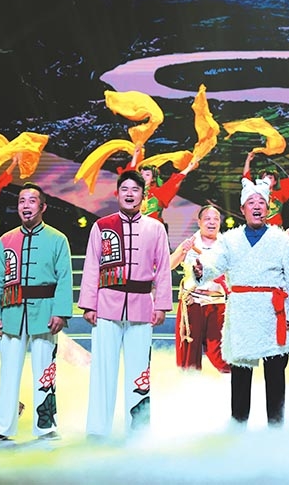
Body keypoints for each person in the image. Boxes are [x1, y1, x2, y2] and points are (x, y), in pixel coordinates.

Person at [192, 178, 289, 427]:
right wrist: (202, 269)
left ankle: (275, 430)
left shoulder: (281, 241)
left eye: (261, 202)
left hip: (273, 315)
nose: (256, 206)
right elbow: (214, 264)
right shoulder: (230, 240)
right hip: (242, 313)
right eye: (251, 202)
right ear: (242, 208)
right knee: (240, 377)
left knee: (275, 376)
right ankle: (238, 427)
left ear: (268, 208)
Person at [79, 170, 172, 439]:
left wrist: (161, 305)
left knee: (140, 371)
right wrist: (89, 304)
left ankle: (138, 430)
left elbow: (163, 269)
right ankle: (98, 430)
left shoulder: (155, 228)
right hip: (106, 306)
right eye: (125, 189)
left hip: (142, 307)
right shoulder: (102, 226)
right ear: (117, 194)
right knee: (102, 370)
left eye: (135, 190)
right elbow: (92, 266)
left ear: (144, 195)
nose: (130, 194)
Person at [0, 183, 73, 443]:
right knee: (8, 372)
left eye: (32, 201)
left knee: (45, 371)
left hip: (45, 312)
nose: (25, 205)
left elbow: (65, 278)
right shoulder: (6, 240)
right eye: (22, 201)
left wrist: (61, 312)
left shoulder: (58, 239)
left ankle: (45, 426)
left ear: (43, 206)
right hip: (11, 312)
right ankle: (2, 426)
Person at [170, 205, 230, 373]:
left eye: (215, 219)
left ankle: (232, 384)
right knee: (188, 352)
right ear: (199, 222)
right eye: (207, 219)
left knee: (220, 352)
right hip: (192, 302)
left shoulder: (227, 246)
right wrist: (182, 251)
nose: (212, 222)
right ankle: (189, 385)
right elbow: (168, 265)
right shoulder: (190, 243)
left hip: (217, 303)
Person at [129, 146, 197, 223]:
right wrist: (135, 156)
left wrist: (188, 168)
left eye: (147, 174)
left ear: (153, 179)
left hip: (154, 227)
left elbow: (173, 182)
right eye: (141, 174)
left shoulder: (157, 193)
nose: (143, 176)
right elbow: (128, 175)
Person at [242, 151, 289, 226]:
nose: (267, 180)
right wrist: (248, 160)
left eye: (270, 178)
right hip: (258, 228)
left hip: (276, 229)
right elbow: (246, 178)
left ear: (275, 182)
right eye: (264, 177)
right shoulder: (255, 192)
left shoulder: (280, 192)